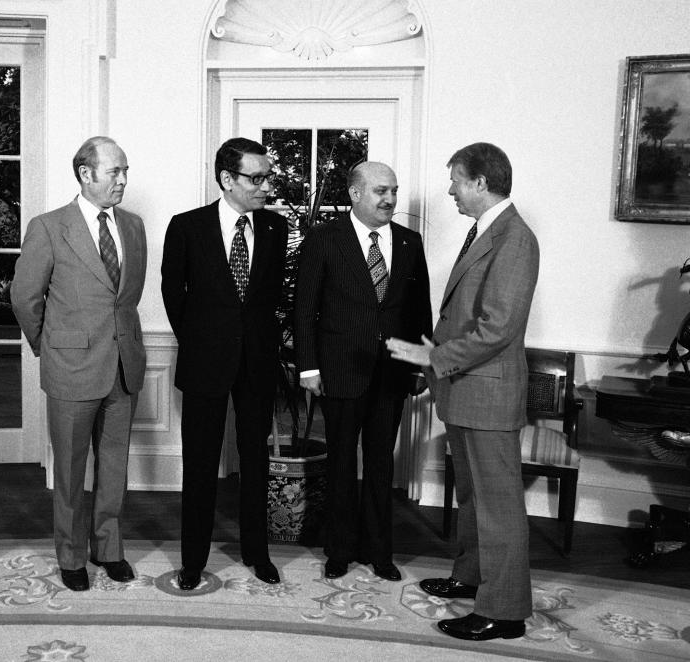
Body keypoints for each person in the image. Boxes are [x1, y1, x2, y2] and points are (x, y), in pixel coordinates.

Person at [386, 142, 538, 641]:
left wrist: (434, 356)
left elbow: (498, 328)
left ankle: (506, 610)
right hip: (467, 391)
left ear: (480, 182)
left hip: (487, 394)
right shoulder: (489, 232)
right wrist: (439, 347)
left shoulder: (514, 238)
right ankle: (471, 575)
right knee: (475, 498)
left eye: (455, 179)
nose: (449, 188)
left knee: (499, 507)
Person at [10, 136, 147, 592]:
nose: (123, 180)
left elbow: (125, 301)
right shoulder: (49, 227)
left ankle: (108, 548)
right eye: (115, 172)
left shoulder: (134, 226)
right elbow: (25, 298)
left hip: (123, 365)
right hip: (70, 368)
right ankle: (70, 556)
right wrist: (50, 347)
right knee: (69, 471)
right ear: (86, 174)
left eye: (125, 170)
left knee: (113, 466)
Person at [295, 161, 431, 582]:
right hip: (339, 371)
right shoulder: (324, 239)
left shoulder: (410, 241)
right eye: (380, 191)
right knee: (339, 464)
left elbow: (418, 309)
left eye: (393, 190)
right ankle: (339, 550)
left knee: (380, 466)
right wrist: (307, 368)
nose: (390, 199)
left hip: (391, 374)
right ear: (355, 194)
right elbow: (305, 309)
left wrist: (420, 364)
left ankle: (379, 552)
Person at [161, 137, 288, 590]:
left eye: (267, 176)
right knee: (200, 464)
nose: (265, 186)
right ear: (226, 179)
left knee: (256, 463)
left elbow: (273, 299)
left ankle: (258, 553)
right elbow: (173, 296)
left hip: (257, 364)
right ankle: (192, 560)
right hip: (204, 364)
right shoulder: (187, 227)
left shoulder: (276, 229)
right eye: (256, 178)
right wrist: (202, 344)